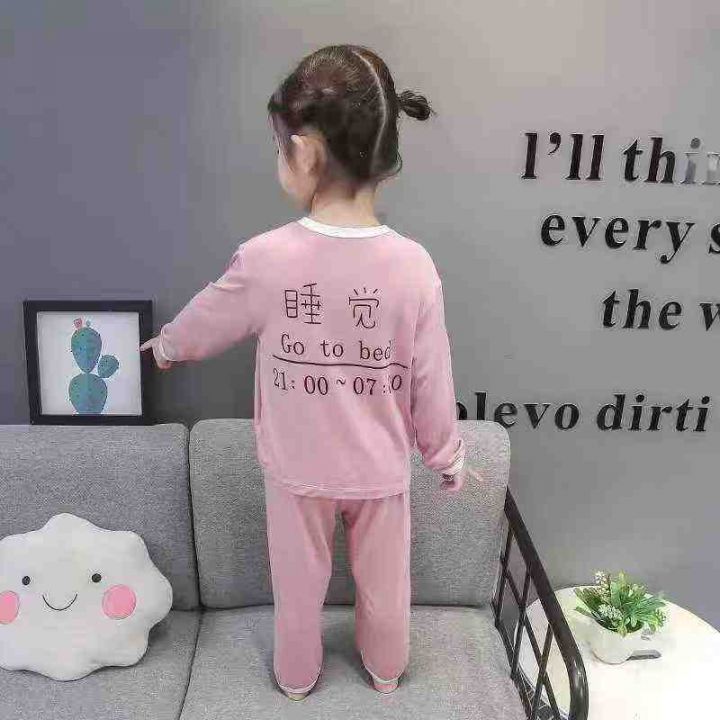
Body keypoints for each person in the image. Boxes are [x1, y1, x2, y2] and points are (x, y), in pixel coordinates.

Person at [140, 43, 482, 701]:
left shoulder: (266, 259)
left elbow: (208, 316)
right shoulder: (413, 266)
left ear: (303, 151)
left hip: (297, 470)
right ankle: (386, 670)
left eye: (279, 147)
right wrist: (445, 454)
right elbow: (432, 377)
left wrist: (167, 347)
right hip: (380, 471)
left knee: (296, 585)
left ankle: (296, 678)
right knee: (386, 586)